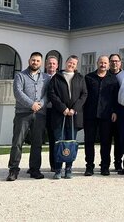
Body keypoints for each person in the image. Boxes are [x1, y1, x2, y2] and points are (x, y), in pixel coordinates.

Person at [6, 52, 49, 181]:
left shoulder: (46, 78)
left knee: (37, 143)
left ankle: (35, 169)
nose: (35, 62)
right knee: (17, 142)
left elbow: (47, 94)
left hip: (40, 114)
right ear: (29, 61)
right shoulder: (20, 76)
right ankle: (13, 170)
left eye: (37, 61)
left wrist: (40, 104)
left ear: (41, 63)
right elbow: (18, 93)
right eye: (33, 60)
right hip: (22, 113)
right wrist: (31, 104)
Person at [48, 55, 88, 179]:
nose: (71, 65)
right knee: (59, 142)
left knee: (71, 142)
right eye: (70, 62)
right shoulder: (56, 77)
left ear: (76, 66)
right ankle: (58, 169)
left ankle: (69, 168)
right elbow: (51, 94)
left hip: (74, 116)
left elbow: (84, 94)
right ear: (66, 63)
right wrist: (63, 108)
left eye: (74, 64)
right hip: (60, 115)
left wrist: (74, 109)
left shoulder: (80, 78)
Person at [83, 55, 118, 176]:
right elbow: (84, 96)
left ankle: (105, 166)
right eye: (101, 62)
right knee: (89, 141)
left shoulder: (113, 79)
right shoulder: (88, 78)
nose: (103, 65)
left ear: (108, 65)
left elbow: (115, 97)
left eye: (105, 63)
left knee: (106, 142)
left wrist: (114, 111)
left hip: (106, 115)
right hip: (90, 114)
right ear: (97, 63)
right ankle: (89, 166)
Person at [108, 53, 123, 172]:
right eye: (112, 61)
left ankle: (118, 162)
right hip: (107, 112)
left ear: (120, 62)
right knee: (106, 139)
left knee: (119, 139)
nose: (114, 63)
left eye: (116, 61)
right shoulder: (105, 75)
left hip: (121, 112)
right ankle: (105, 163)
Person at [44, 55, 59, 172]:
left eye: (54, 63)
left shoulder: (60, 78)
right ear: (46, 65)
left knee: (54, 138)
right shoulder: (41, 78)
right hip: (42, 110)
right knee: (37, 139)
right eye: (49, 63)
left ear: (57, 66)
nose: (51, 65)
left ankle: (54, 164)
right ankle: (34, 165)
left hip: (55, 111)